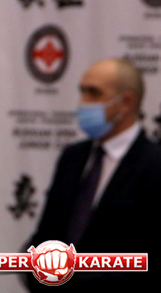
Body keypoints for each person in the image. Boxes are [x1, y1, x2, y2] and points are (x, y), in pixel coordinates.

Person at [24, 58, 161, 291]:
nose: (83, 103)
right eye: (82, 92)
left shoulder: (154, 166)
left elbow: (149, 263)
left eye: (94, 93)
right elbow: (46, 236)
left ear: (126, 102)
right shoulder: (72, 158)